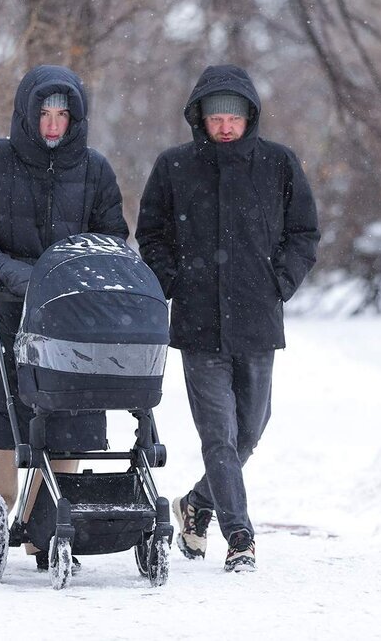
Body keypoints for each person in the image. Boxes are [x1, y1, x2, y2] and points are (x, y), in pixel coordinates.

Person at [136, 64, 320, 572]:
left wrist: (278, 283)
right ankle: (240, 536)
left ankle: (196, 505)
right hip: (198, 324)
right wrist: (174, 281)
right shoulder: (174, 167)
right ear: (199, 117)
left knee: (250, 429)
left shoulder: (278, 164)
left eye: (233, 117)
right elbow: (149, 234)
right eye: (215, 116)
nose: (224, 126)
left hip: (258, 321)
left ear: (249, 117)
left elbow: (305, 232)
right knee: (218, 434)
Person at [0, 65, 128, 570]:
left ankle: (45, 526)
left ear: (76, 119)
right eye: (44, 114)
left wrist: (75, 272)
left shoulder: (95, 171)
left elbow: (113, 237)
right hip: (0, 310)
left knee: (66, 420)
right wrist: (0, 268)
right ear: (28, 115)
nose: (52, 125)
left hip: (71, 317)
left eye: (62, 115)